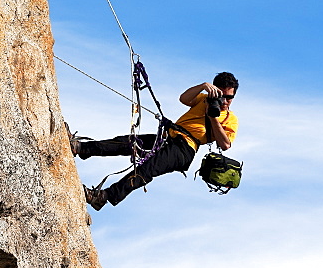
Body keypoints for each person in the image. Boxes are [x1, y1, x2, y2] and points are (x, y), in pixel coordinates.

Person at [70, 72, 239, 210]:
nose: (224, 101)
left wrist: (213, 118)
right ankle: (81, 148)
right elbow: (184, 99)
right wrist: (203, 87)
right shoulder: (203, 99)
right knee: (128, 143)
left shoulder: (230, 119)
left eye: (229, 97)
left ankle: (103, 197)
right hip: (169, 137)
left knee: (146, 170)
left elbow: (225, 145)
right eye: (221, 95)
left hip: (185, 149)